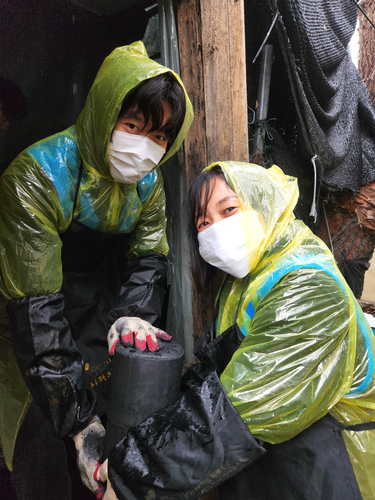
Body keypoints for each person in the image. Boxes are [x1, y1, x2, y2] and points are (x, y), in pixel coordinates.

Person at [0, 41, 193, 500]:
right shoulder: (36, 177)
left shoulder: (148, 185)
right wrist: (80, 424)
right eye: (133, 126)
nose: (145, 148)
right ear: (104, 115)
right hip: (30, 333)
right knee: (40, 452)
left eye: (160, 137)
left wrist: (134, 317)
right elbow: (36, 314)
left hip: (97, 316)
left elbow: (149, 259)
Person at [187, 161, 375, 500]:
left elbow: (238, 409)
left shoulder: (307, 284)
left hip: (329, 471)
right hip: (272, 467)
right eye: (204, 223)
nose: (216, 229)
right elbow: (222, 372)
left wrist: (132, 475)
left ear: (264, 203)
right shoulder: (243, 280)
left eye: (229, 210)